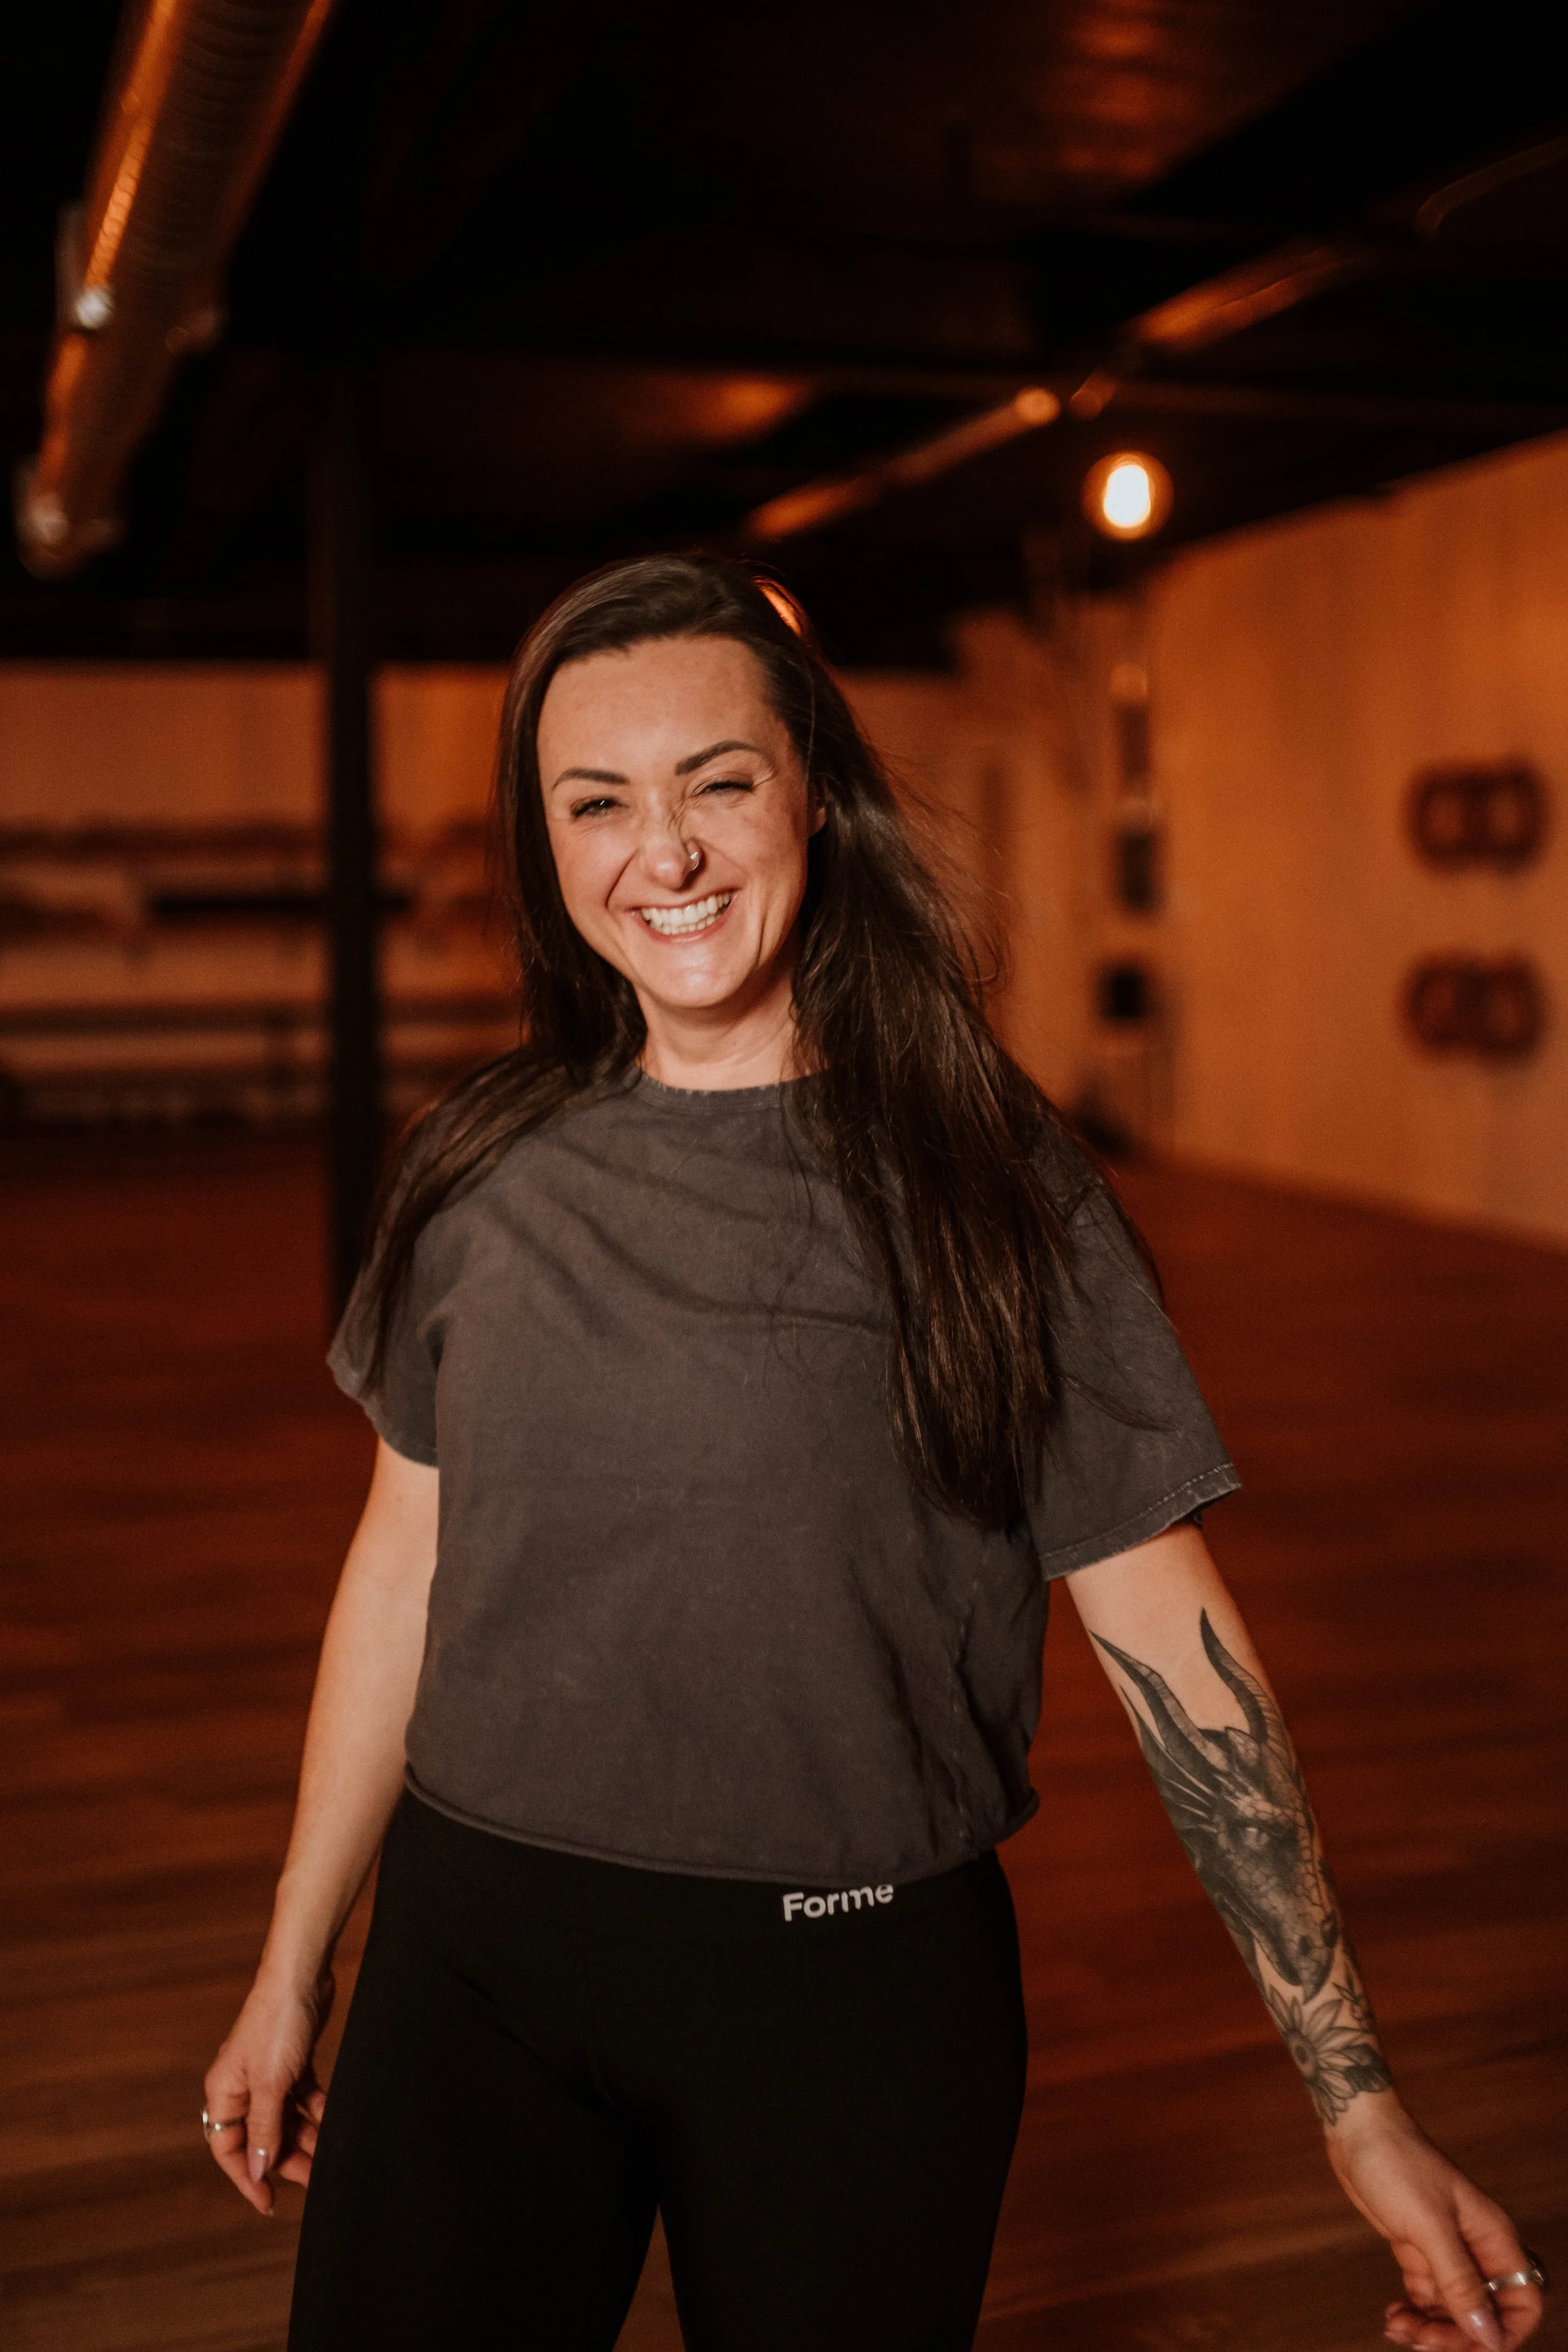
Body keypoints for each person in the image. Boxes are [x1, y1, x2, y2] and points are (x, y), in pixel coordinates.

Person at [203, 556, 1546, 2352]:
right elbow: (402, 1570)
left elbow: (1174, 1652)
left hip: (848, 1996)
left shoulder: (991, 1186)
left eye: (717, 782)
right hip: (475, 1968)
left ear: (809, 796)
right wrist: (293, 1965)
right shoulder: (478, 1166)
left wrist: (1354, 2098)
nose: (659, 853)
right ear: (545, 847)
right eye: (596, 801)